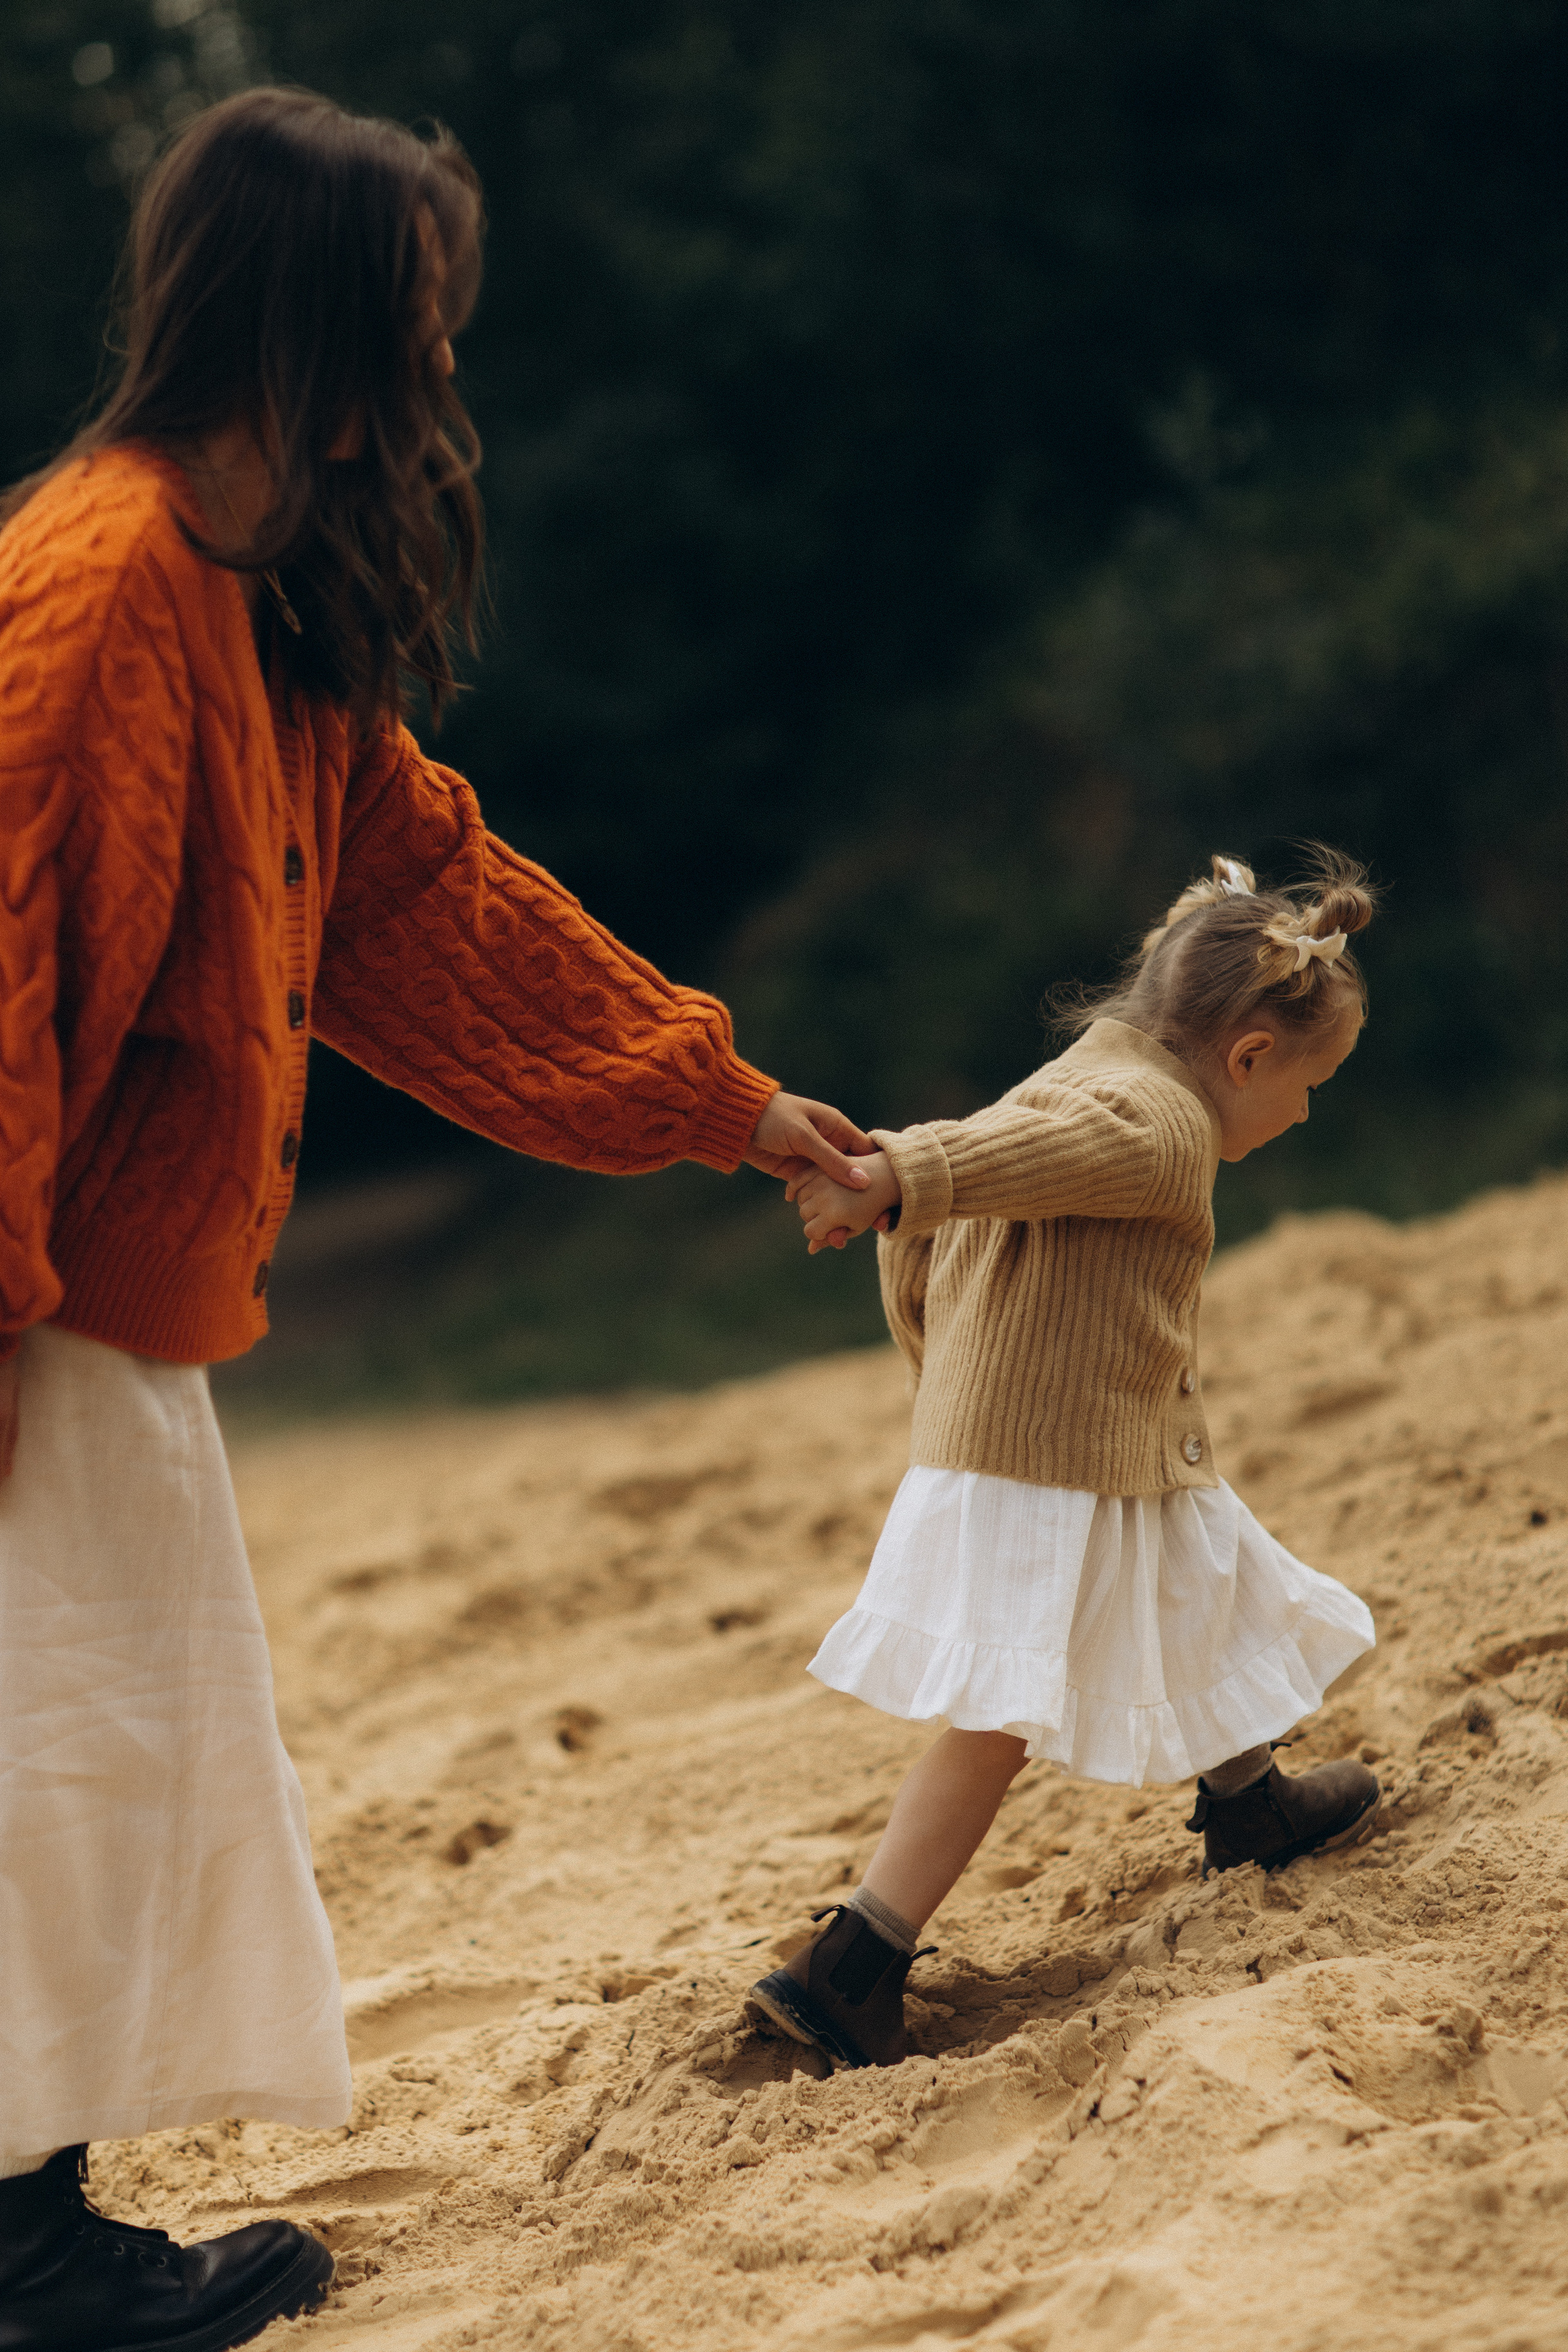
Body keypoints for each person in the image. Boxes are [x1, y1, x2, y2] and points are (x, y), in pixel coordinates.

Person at [0, 87, 876, 2351]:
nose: (449, 372)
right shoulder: (92, 602)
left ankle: (37, 2227)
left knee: (105, 1753)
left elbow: (427, 905)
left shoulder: (254, 611)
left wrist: (731, 1102)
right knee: (50, 1760)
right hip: (30, 1305)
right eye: (424, 318)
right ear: (314, 324)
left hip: (111, 1299)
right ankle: (21, 2261)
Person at [748, 850, 1382, 2071]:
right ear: (1248, 1055)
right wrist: (893, 1182)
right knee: (996, 1715)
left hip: (1076, 1438)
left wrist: (933, 1355)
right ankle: (850, 1964)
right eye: (1311, 1084)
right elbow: (984, 1172)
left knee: (1198, 1573)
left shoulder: (1088, 1075)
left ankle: (1246, 1801)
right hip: (1044, 1465)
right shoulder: (1153, 1126)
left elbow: (967, 1198)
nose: (1306, 1113)